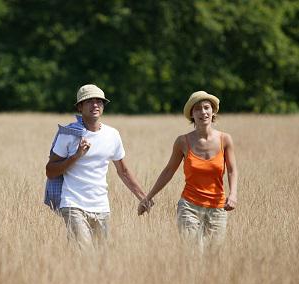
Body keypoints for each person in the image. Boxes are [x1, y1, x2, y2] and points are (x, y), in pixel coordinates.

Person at [46, 84, 149, 250]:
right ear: (80, 106)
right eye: (89, 101)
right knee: (83, 255)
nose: (95, 105)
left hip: (101, 207)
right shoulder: (68, 134)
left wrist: (144, 197)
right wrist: (76, 156)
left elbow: (123, 171)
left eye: (99, 101)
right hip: (73, 204)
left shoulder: (112, 134)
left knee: (101, 258)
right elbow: (50, 171)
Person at [138, 91, 238, 252]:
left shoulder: (225, 140)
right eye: (197, 109)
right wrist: (148, 197)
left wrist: (233, 194)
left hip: (218, 208)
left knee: (214, 257)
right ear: (192, 113)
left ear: (213, 112)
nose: (203, 112)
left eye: (207, 108)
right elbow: (169, 171)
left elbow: (232, 170)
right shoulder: (182, 142)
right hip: (189, 207)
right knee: (193, 255)